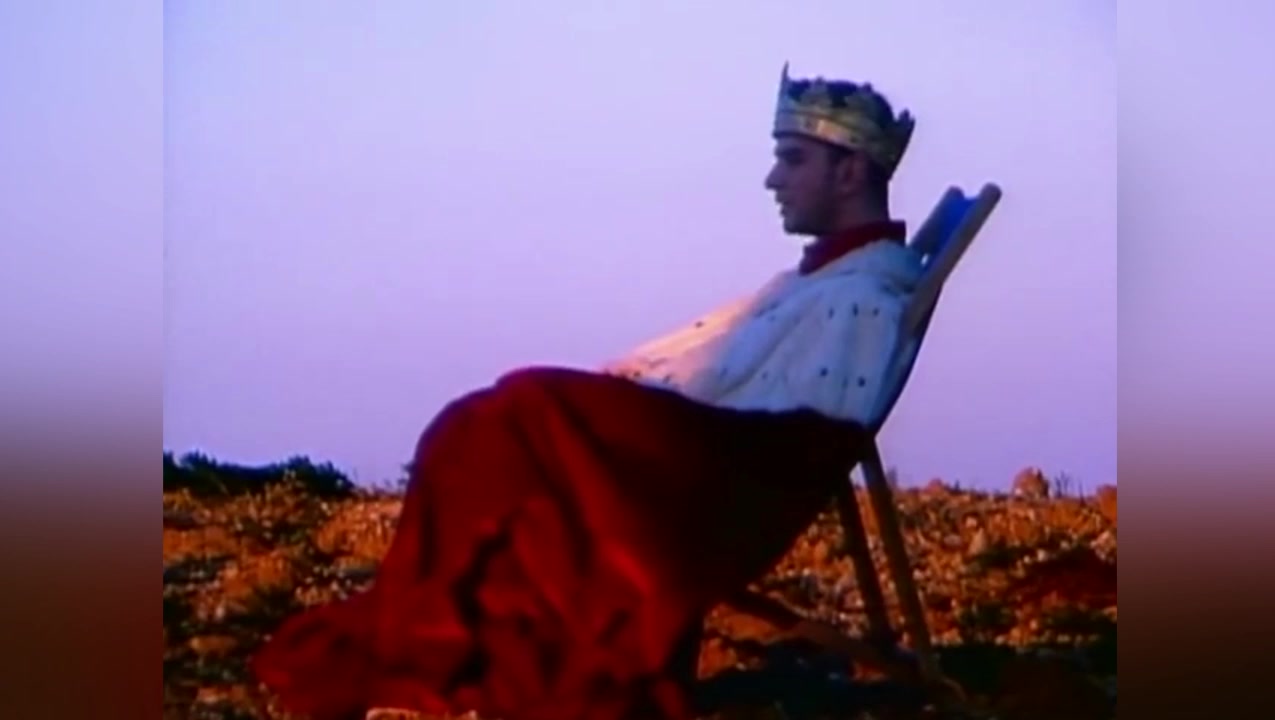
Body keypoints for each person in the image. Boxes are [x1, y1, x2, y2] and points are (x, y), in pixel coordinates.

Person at [252, 65, 924, 720]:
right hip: (720, 456)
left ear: (849, 173)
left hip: (725, 483)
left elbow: (788, 436)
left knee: (517, 413)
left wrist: (597, 410)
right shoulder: (822, 283)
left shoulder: (862, 296)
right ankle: (442, 628)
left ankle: (442, 642)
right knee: (493, 422)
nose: (773, 179)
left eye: (793, 160)